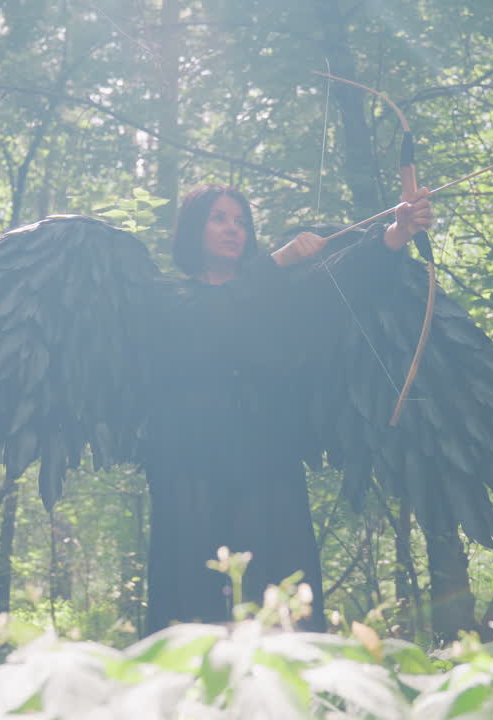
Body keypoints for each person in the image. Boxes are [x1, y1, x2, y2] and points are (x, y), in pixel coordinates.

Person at [142, 183, 433, 633]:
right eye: (219, 218)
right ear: (194, 230)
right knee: (194, 594)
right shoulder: (168, 299)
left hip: (265, 462)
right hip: (189, 468)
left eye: (240, 221)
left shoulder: (273, 294)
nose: (232, 229)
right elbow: (206, 319)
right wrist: (276, 263)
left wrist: (396, 233)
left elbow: (339, 284)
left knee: (276, 591)